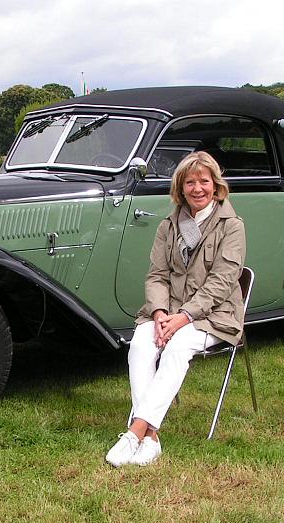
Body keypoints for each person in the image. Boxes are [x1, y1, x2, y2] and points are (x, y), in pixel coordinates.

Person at [106, 151, 246, 467]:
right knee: (141, 345)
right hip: (167, 311)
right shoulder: (168, 226)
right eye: (190, 182)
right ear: (180, 188)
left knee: (176, 348)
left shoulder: (232, 226)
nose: (197, 189)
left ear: (216, 186)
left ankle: (135, 432)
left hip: (214, 315)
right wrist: (158, 314)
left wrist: (184, 317)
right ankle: (151, 440)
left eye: (204, 182)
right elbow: (157, 275)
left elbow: (222, 282)